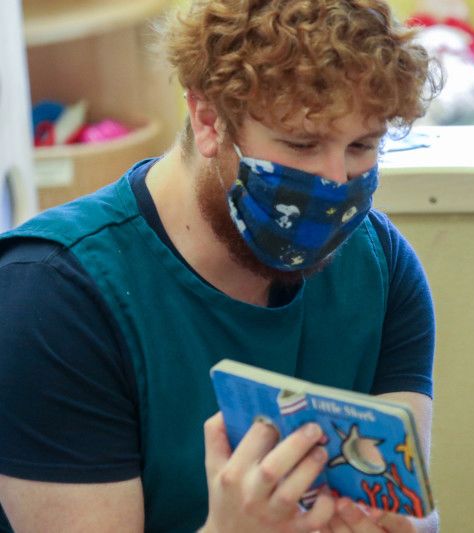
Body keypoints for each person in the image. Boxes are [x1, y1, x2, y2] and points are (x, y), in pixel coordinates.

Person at [0, 1, 442, 531]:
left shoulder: (381, 269)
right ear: (208, 118)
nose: (334, 180)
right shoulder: (53, 297)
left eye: (362, 145)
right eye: (301, 143)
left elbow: (409, 505)